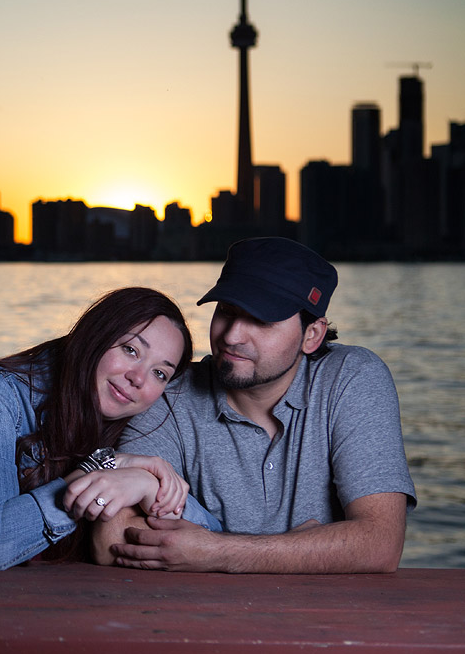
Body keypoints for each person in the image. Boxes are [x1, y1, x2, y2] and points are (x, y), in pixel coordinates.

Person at [95, 237, 416, 573]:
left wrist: (216, 552)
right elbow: (111, 539)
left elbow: (381, 545)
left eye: (261, 321)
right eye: (227, 311)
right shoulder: (169, 391)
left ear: (312, 335)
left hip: (331, 615)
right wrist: (314, 547)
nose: (232, 336)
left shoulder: (351, 378)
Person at [0, 287, 222, 570]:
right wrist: (104, 468)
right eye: (129, 349)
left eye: (160, 372)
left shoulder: (131, 416)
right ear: (94, 336)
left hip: (10, 605)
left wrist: (145, 483)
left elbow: (212, 533)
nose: (138, 378)